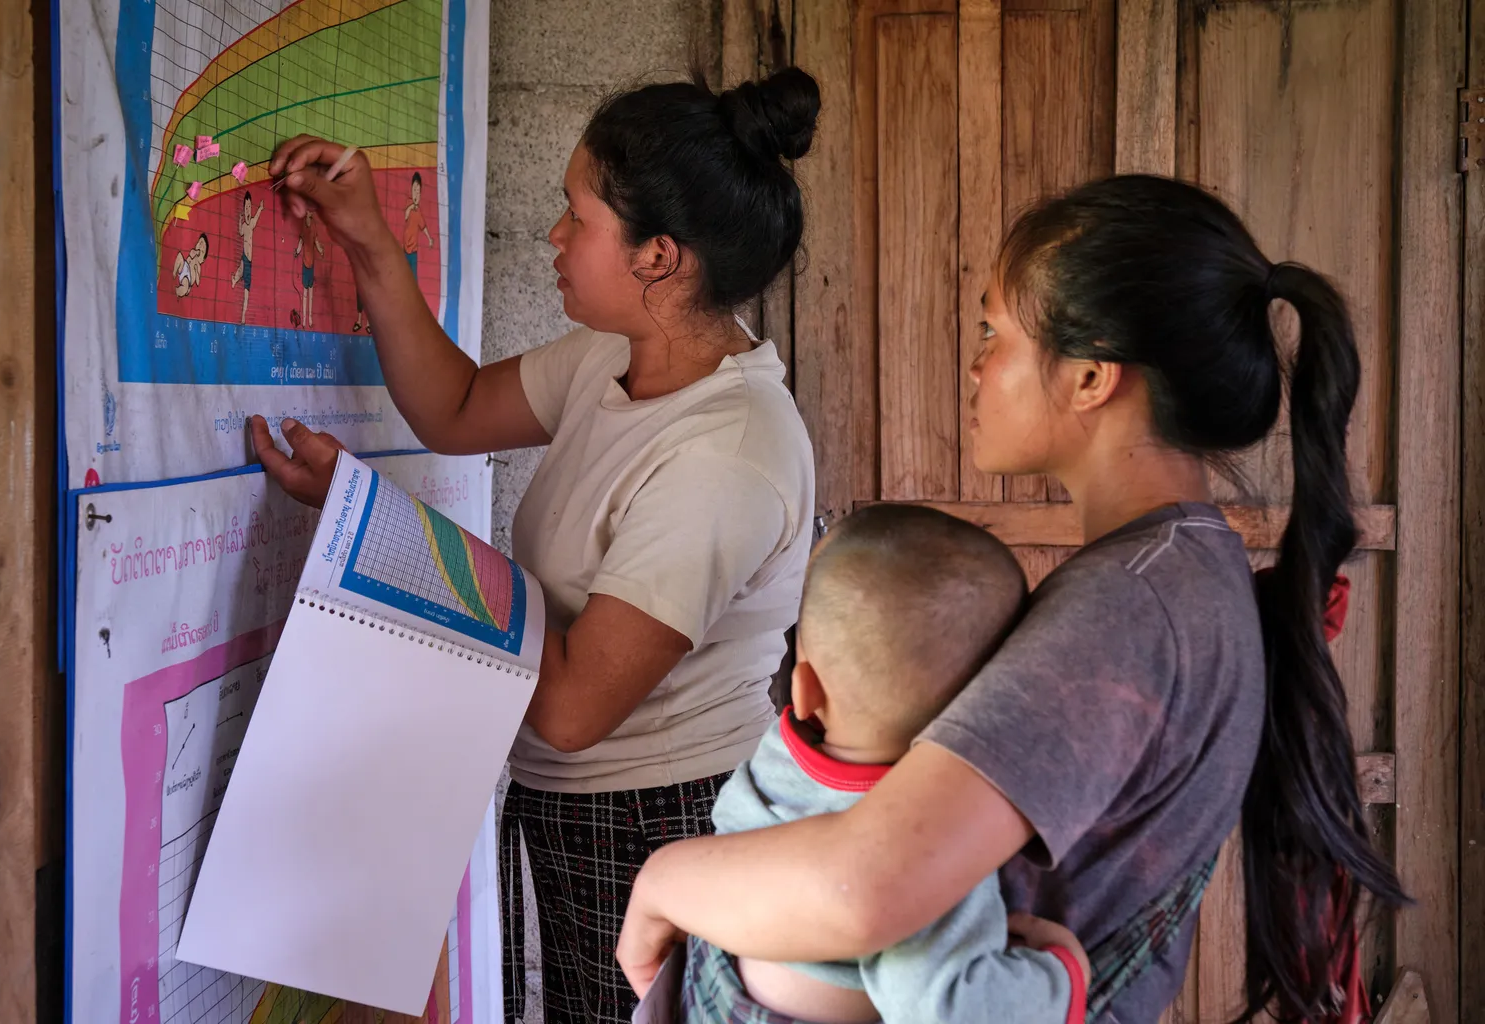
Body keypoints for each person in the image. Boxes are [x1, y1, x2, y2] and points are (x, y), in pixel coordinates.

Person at [616, 175, 1409, 1024]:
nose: (976, 364)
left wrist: (663, 884)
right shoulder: (1175, 572)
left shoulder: (1130, 609)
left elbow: (868, 891)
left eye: (995, 332)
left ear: (1093, 377)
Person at [251, 66, 822, 1024]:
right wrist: (370, 243)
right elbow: (456, 405)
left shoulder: (727, 452)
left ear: (659, 259)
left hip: (660, 821)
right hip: (587, 810)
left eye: (578, 217)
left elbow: (568, 710)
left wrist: (385, 527)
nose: (551, 237)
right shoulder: (617, 356)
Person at [683, 503, 1088, 1024]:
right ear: (986, 708)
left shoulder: (777, 761)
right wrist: (1061, 973)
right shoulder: (932, 840)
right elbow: (942, 1005)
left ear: (805, 691)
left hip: (713, 991)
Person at [230, 191, 265, 324]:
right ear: (244, 211)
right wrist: (239, 221)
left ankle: (244, 315)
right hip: (245, 256)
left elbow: (256, 217)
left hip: (250, 260)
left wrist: (260, 208)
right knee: (241, 269)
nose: (248, 210)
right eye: (246, 208)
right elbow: (240, 232)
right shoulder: (245, 226)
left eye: (249, 207)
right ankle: (235, 279)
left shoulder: (251, 224)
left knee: (246, 290)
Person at [294, 210, 324, 329]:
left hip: (311, 264)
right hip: (305, 264)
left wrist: (321, 250)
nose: (309, 213)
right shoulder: (303, 226)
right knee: (305, 293)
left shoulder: (314, 226)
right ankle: (305, 320)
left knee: (310, 293)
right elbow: (301, 241)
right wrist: (297, 251)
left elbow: (316, 241)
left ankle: (310, 318)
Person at [403, 171, 433, 279]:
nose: (416, 193)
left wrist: (429, 238)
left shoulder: (419, 211)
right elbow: (406, 215)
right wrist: (412, 206)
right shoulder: (408, 203)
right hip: (406, 249)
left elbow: (423, 226)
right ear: (411, 190)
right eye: (414, 190)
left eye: (418, 191)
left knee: (413, 277)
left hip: (414, 251)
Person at [172, 232, 207, 298]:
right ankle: (174, 272)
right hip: (184, 266)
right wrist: (195, 252)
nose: (200, 248)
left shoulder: (198, 266)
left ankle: (177, 291)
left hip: (188, 277)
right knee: (179, 256)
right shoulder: (193, 252)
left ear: (203, 260)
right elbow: (190, 255)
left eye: (202, 251)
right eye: (199, 243)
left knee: (185, 286)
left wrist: (196, 271)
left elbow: (197, 282)